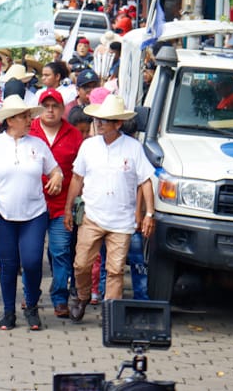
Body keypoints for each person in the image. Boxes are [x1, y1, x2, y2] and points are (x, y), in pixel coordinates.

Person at [0, 95, 63, 331]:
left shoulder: (38, 145)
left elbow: (55, 170)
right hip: (1, 213)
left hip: (34, 213)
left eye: (28, 116)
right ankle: (8, 312)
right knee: (9, 264)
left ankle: (32, 306)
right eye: (24, 117)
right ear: (10, 120)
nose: (29, 120)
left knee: (33, 261)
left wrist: (56, 177)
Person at [65, 95, 155, 322]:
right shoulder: (89, 146)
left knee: (115, 270)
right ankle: (82, 295)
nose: (100, 123)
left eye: (106, 120)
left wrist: (149, 214)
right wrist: (68, 209)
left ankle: (111, 311)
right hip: (92, 216)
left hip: (122, 221)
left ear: (118, 124)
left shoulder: (133, 148)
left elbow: (146, 181)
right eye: (98, 119)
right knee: (81, 264)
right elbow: (77, 179)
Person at [28, 89, 83, 319]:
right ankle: (30, 296)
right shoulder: (29, 131)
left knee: (60, 251)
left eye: (55, 106)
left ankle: (60, 298)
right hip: (31, 205)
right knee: (30, 255)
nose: (50, 110)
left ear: (62, 109)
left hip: (62, 206)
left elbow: (80, 172)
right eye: (46, 106)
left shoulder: (73, 135)